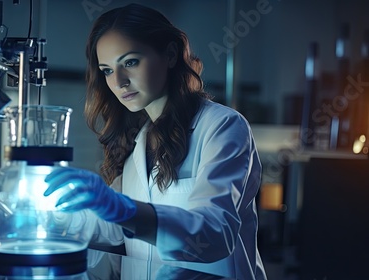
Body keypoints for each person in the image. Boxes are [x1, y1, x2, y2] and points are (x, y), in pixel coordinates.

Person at [44, 3, 267, 279]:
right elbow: (112, 228)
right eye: (107, 70)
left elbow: (215, 233)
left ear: (171, 54)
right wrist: (54, 215)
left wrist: (125, 210)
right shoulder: (138, 141)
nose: (120, 82)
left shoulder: (222, 126)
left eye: (130, 62)